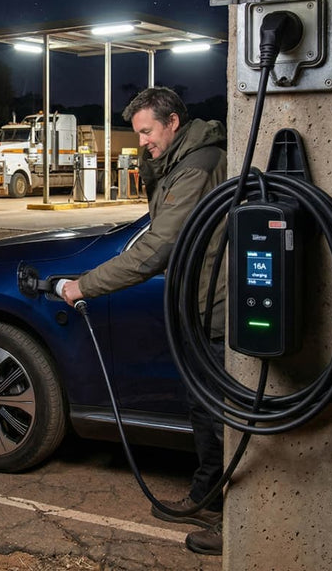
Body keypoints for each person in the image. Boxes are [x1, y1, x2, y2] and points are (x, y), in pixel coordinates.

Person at [60, 86, 227, 556]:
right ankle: (205, 494)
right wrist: (153, 162)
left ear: (173, 122)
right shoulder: (180, 160)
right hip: (198, 306)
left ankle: (237, 521)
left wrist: (84, 284)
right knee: (202, 409)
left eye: (147, 132)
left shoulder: (198, 165)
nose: (142, 143)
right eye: (137, 134)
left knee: (221, 417)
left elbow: (158, 247)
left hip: (217, 308)